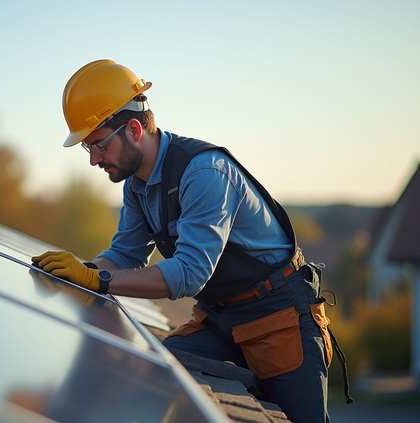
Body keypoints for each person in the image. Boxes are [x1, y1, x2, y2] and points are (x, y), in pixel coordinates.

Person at [32, 59, 349, 423]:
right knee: (160, 368)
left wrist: (97, 280)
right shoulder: (137, 185)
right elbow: (124, 254)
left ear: (134, 129)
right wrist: (82, 272)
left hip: (278, 316)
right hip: (219, 318)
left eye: (98, 145)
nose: (94, 160)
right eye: (88, 149)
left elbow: (189, 273)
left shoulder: (204, 173)